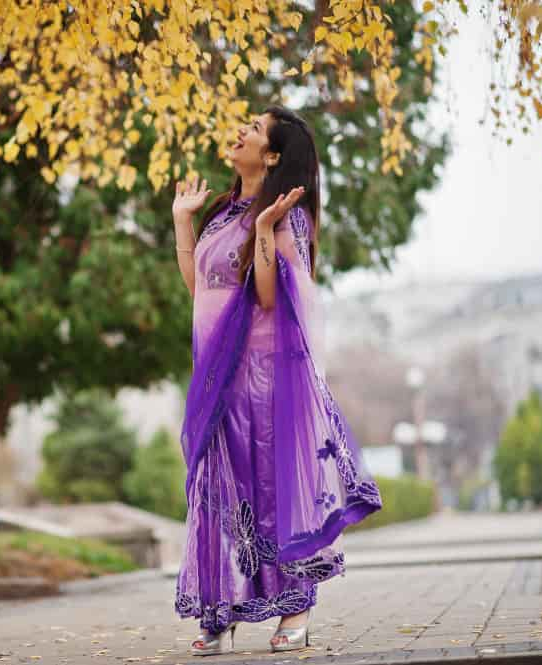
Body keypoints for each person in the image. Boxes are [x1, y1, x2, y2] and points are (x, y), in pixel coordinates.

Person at [170, 105, 384, 655]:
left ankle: (296, 609)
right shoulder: (222, 213)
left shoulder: (285, 217)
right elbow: (202, 291)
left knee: (271, 488)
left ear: (270, 155)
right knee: (219, 492)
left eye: (255, 129)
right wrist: (183, 221)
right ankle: (220, 610)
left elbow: (267, 297)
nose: (240, 129)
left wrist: (264, 229)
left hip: (263, 377)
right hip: (217, 375)